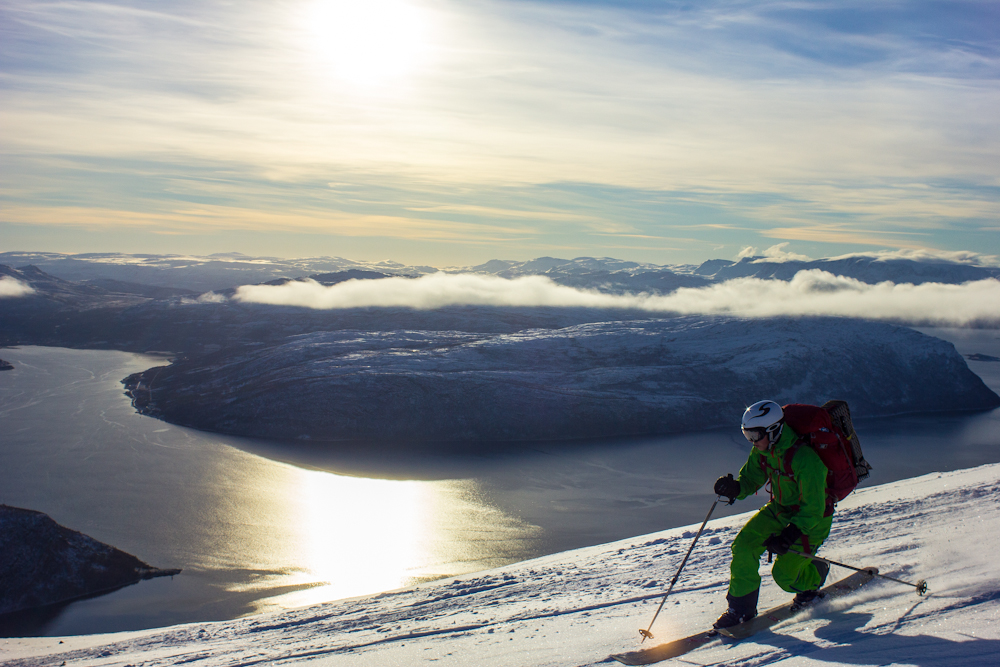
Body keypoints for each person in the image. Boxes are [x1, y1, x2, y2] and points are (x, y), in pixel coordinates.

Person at [711, 400, 833, 629]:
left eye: (755, 435)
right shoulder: (764, 450)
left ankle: (814, 576)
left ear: (774, 430)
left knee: (784, 577)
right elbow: (751, 478)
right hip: (780, 510)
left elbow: (813, 508)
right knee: (744, 547)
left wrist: (790, 535)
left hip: (812, 521)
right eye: (747, 435)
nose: (752, 441)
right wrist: (735, 488)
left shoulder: (806, 459)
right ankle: (741, 611)